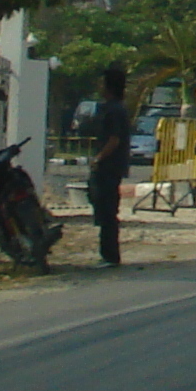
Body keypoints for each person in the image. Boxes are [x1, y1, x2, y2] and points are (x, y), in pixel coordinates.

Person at [87, 65, 132, 268]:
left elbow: (114, 139)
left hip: (109, 166)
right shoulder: (113, 108)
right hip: (111, 166)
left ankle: (110, 255)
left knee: (107, 211)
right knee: (102, 207)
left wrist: (98, 158)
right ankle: (107, 253)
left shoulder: (114, 110)